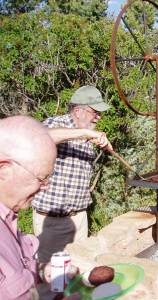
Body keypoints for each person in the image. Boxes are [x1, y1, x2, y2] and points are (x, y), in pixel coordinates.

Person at [0, 116, 81, 299]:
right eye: (41, 178)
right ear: (4, 170)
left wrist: (44, 271)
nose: (46, 186)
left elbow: (17, 271)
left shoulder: (8, 215)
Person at [32, 85, 113, 264]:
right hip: (51, 221)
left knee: (79, 272)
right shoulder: (56, 124)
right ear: (78, 111)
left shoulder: (88, 134)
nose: (99, 117)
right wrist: (84, 133)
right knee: (50, 277)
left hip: (79, 218)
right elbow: (41, 136)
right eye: (95, 112)